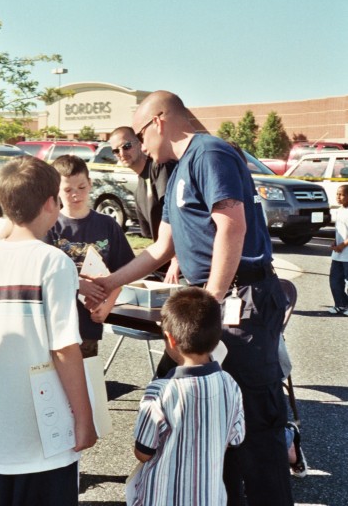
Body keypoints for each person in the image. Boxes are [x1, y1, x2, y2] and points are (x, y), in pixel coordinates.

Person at [87, 90, 294, 506]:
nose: (139, 145)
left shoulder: (210, 153)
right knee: (213, 418)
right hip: (214, 298)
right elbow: (161, 248)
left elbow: (231, 225)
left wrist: (211, 300)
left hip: (241, 300)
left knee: (257, 426)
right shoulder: (178, 168)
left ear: (159, 120)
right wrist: (111, 283)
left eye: (140, 134)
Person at [0, 156, 97, 506]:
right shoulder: (54, 261)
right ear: (51, 203)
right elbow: (64, 348)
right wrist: (85, 418)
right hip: (47, 433)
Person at [131, 287, 245, 506]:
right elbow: (235, 439)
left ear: (170, 340)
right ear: (217, 335)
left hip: (162, 496)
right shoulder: (230, 384)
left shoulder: (159, 391)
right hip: (210, 496)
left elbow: (143, 452)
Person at [47, 154, 134, 358]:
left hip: (88, 323)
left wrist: (107, 307)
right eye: (68, 190)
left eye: (82, 187)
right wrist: (77, 284)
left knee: (87, 382)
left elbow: (122, 273)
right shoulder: (49, 225)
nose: (76, 194)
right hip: (55, 324)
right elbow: (44, 273)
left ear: (91, 184)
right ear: (56, 191)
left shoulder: (107, 225)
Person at [109, 126, 179, 282]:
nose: (122, 153)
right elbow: (154, 239)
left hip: (185, 265)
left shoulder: (160, 168)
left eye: (126, 146)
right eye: (115, 151)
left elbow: (178, 216)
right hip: (165, 268)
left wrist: (176, 261)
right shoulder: (139, 191)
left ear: (140, 143)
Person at [328, 184, 348, 315]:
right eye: (337, 194)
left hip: (346, 253)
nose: (338, 197)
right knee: (335, 280)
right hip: (338, 254)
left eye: (342, 195)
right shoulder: (340, 210)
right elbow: (339, 230)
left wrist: (342, 245)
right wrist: (335, 242)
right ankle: (340, 304)